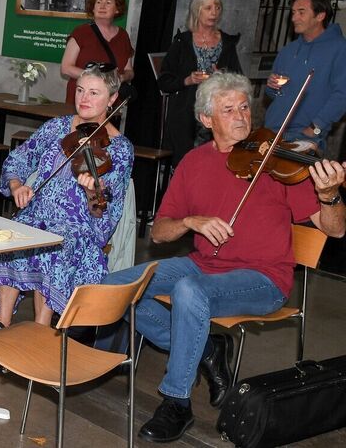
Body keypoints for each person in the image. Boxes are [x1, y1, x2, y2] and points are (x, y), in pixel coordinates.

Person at [99, 73, 346, 443]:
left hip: (264, 277)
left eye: (245, 106)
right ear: (206, 120)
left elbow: (336, 229)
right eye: (228, 109)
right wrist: (189, 221)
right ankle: (206, 347)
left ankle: (176, 403)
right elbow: (159, 232)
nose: (241, 116)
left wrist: (329, 195)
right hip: (203, 265)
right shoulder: (194, 163)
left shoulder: (278, 164)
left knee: (187, 292)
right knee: (114, 286)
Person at [0, 66, 132, 331]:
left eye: (94, 93)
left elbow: (106, 210)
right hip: (37, 212)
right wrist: (17, 185)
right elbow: (18, 159)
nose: (83, 98)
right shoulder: (57, 127)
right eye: (80, 90)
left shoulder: (120, 148)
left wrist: (91, 193)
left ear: (112, 99)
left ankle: (41, 330)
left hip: (78, 228)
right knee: (13, 234)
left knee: (55, 244)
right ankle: (1, 323)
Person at [158, 0, 243, 164]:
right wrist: (187, 80)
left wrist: (222, 77)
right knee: (186, 164)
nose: (214, 12)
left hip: (218, 115)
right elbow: (164, 81)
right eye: (208, 8)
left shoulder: (227, 43)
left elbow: (240, 80)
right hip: (186, 115)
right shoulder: (182, 41)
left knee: (213, 163)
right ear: (197, 10)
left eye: (217, 7)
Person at [263, 0, 346, 151]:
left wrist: (316, 127)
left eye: (301, 12)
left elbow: (342, 95)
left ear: (320, 16)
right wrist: (271, 87)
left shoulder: (340, 48)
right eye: (293, 12)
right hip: (272, 130)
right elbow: (273, 94)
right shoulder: (289, 49)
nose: (294, 18)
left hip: (304, 135)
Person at [60, 0, 134, 106]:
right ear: (93, 8)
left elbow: (129, 71)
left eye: (108, 3)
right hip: (82, 101)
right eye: (98, 2)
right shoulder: (81, 32)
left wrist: (121, 78)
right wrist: (98, 79)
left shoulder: (123, 35)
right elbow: (66, 68)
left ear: (117, 9)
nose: (102, 6)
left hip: (110, 102)